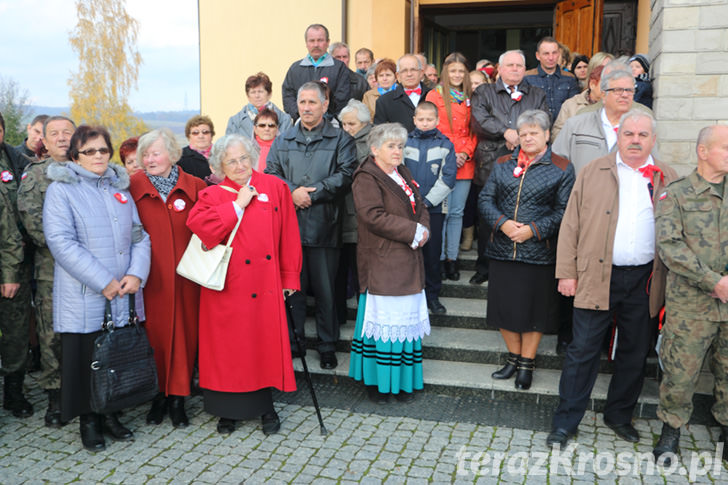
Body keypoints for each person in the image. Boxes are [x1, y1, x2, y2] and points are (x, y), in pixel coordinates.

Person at [546, 111, 678, 448]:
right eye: (629, 133)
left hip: (646, 280)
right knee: (583, 350)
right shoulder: (593, 171)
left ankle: (619, 416)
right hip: (597, 274)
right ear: (618, 137)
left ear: (652, 139)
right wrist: (567, 272)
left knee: (635, 352)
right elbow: (571, 224)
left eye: (643, 134)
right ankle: (565, 421)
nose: (635, 140)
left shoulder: (667, 177)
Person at [43, 125, 150, 451]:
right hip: (86, 294)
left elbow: (139, 236)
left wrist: (136, 274)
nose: (98, 156)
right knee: (87, 359)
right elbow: (61, 242)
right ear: (75, 156)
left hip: (123, 292)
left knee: (116, 356)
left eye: (103, 149)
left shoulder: (120, 189)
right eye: (90, 151)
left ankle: (112, 413)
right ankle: (89, 421)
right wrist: (102, 281)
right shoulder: (62, 191)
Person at [187, 134, 301, 435]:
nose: (239, 166)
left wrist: (290, 277)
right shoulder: (213, 194)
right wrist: (236, 206)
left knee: (261, 347)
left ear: (253, 157)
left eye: (243, 158)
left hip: (265, 285)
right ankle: (226, 411)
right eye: (231, 161)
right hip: (226, 287)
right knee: (227, 350)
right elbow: (201, 227)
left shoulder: (275, 187)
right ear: (220, 166)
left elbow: (289, 235)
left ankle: (265, 408)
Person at [479, 110, 574, 390]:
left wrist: (534, 229)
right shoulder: (503, 163)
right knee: (503, 309)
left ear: (547, 135)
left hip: (539, 251)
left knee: (534, 312)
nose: (528, 138)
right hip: (502, 247)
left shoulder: (562, 167)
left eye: (534, 133)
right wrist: (503, 224)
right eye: (523, 133)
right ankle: (513, 357)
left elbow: (564, 211)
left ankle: (527, 363)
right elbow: (486, 199)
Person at [265, 81, 357, 369]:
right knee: (293, 289)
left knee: (327, 291)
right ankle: (295, 343)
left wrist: (313, 192)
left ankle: (327, 345)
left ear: (325, 105)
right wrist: (292, 191)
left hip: (325, 226)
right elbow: (271, 173)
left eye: (312, 102)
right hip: (288, 227)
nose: (306, 107)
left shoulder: (340, 139)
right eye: (302, 102)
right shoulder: (283, 140)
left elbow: (346, 174)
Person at [653, 125, 728, 465]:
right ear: (703, 152)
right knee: (681, 373)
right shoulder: (678, 194)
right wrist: (712, 280)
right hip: (691, 306)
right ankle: (671, 431)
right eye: (725, 147)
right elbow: (670, 247)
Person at [128, 128, 207, 429]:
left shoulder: (196, 186)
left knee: (186, 335)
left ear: (172, 155)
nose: (150, 159)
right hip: (150, 278)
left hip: (188, 278)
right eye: (145, 155)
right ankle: (157, 395)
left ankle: (179, 398)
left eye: (156, 153)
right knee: (155, 336)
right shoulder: (132, 186)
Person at [349, 122, 431, 403]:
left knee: (404, 326)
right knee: (385, 326)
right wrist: (412, 231)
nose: (397, 151)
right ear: (374, 149)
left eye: (400, 146)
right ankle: (380, 385)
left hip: (407, 257)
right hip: (383, 259)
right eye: (391, 146)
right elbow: (372, 215)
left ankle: (403, 383)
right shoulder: (366, 177)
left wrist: (423, 228)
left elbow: (420, 204)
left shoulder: (402, 172)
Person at [469, 49, 548, 285]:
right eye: (510, 65)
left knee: (522, 212)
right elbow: (479, 119)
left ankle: (516, 263)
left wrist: (521, 135)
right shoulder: (483, 91)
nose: (515, 69)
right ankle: (484, 267)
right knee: (488, 215)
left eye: (519, 66)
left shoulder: (537, 93)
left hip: (528, 161)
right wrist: (506, 131)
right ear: (500, 69)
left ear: (525, 69)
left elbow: (543, 120)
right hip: (491, 161)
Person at [17, 116, 77, 427]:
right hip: (52, 269)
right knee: (51, 333)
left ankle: (90, 393)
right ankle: (56, 396)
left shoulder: (92, 171)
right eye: (54, 133)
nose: (62, 138)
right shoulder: (36, 175)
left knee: (87, 333)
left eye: (68, 132)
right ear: (45, 140)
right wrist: (72, 251)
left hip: (91, 271)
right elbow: (33, 223)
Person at [425, 52, 477, 281]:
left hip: (465, 163)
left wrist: (465, 152)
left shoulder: (472, 96)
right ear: (445, 72)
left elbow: (476, 129)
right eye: (453, 70)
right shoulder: (434, 95)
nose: (457, 75)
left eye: (461, 71)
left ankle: (451, 259)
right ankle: (438, 257)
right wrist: (451, 153)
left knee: (456, 213)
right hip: (441, 161)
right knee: (441, 213)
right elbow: (431, 127)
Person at [404, 102, 457, 314]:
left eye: (429, 119)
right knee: (408, 253)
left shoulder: (446, 145)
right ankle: (409, 295)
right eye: (421, 119)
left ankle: (432, 296)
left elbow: (449, 177)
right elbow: (398, 172)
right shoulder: (404, 142)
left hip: (433, 209)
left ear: (437, 121)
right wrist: (409, 200)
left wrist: (427, 202)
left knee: (432, 254)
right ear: (414, 120)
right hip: (406, 208)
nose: (425, 123)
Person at [0, 112, 34, 419]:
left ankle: (14, 392)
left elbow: (12, 223)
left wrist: (10, 271)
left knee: (15, 331)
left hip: (13, 262)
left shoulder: (15, 160)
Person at [552, 67, 638, 174]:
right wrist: (572, 187)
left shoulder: (642, 129)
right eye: (618, 90)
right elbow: (556, 164)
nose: (625, 95)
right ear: (603, 94)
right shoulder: (576, 124)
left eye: (629, 90)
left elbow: (654, 170)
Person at [336, 100, 373, 326]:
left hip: (360, 214)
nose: (347, 128)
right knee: (340, 271)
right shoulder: (341, 140)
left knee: (362, 271)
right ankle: (340, 317)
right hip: (341, 214)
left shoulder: (372, 143)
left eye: (351, 124)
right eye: (344, 124)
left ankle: (364, 320)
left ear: (365, 123)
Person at [281, 24, 351, 120]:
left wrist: (325, 117)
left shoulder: (339, 68)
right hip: (301, 124)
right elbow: (288, 96)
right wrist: (301, 115)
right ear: (306, 43)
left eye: (320, 40)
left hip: (330, 126)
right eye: (312, 40)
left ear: (327, 42)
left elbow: (342, 98)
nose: (316, 45)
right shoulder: (295, 68)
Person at [524, 36, 580, 123]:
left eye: (554, 53)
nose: (551, 57)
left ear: (559, 54)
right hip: (536, 129)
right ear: (538, 56)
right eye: (546, 53)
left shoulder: (570, 78)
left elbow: (574, 109)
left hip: (563, 130)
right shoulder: (527, 77)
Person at [225, 72, 293, 140]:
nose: (257, 96)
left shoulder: (285, 119)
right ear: (247, 95)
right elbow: (228, 147)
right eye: (253, 92)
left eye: (260, 91)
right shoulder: (235, 121)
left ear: (269, 94)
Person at [374, 54, 432, 132]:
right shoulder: (384, 101)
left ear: (421, 73)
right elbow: (379, 133)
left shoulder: (433, 96)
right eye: (404, 70)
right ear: (398, 76)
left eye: (413, 70)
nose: (409, 74)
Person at [551, 65, 605, 142]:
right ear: (592, 84)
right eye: (605, 85)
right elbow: (557, 134)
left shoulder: (615, 106)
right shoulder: (571, 104)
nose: (609, 89)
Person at [177, 115, 214, 180]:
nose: (201, 136)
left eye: (205, 132)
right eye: (195, 133)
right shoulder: (179, 157)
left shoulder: (222, 154)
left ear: (212, 135)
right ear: (188, 136)